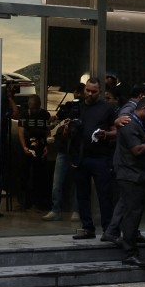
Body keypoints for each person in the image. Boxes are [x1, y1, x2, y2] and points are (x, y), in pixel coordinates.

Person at [114, 96, 145, 268]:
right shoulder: (129, 125)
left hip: (137, 176)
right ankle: (129, 253)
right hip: (131, 176)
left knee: (133, 213)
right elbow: (137, 150)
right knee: (132, 214)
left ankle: (130, 245)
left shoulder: (137, 123)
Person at [69, 77, 117, 240]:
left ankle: (108, 229)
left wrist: (106, 134)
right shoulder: (78, 107)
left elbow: (116, 131)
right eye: (87, 90)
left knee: (104, 194)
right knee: (82, 194)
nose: (89, 94)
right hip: (81, 157)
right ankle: (88, 228)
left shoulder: (106, 108)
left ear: (100, 92)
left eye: (93, 91)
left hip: (100, 157)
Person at [42, 84, 83, 221]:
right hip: (64, 148)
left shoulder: (85, 109)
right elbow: (54, 121)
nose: (78, 97)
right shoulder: (68, 106)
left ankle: (76, 210)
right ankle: (56, 209)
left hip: (77, 149)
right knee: (57, 182)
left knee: (77, 182)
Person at [18, 94, 51, 212]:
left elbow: (48, 131)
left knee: (40, 174)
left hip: (40, 146)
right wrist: (24, 147)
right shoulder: (24, 114)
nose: (33, 110)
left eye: (35, 108)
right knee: (24, 173)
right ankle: (24, 201)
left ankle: (39, 201)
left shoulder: (45, 115)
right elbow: (21, 131)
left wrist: (47, 145)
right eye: (32, 108)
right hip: (27, 145)